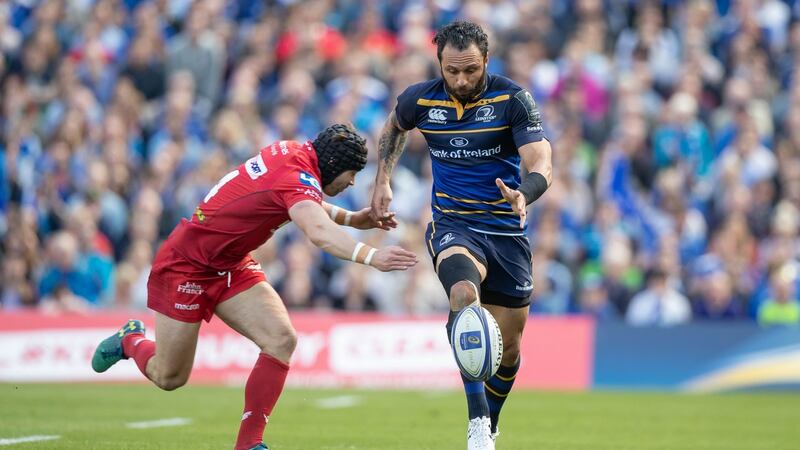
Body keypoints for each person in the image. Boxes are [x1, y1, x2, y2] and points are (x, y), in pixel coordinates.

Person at [91, 124, 418, 450]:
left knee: (281, 339)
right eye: (351, 174)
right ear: (333, 166)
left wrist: (351, 219)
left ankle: (249, 444)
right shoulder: (297, 176)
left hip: (230, 264)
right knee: (170, 377)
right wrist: (372, 256)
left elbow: (301, 200)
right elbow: (316, 228)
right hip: (187, 266)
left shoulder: (294, 154)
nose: (351, 182)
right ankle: (131, 340)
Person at [370, 21, 553, 450]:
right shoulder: (420, 98)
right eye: (452, 71)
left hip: (506, 233)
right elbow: (394, 128)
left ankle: (491, 423)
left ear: (486, 60)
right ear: (440, 64)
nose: (461, 80)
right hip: (454, 225)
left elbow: (541, 158)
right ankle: (476, 426)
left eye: (470, 70)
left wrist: (524, 194)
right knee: (464, 298)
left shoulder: (512, 99)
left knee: (508, 352)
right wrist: (382, 180)